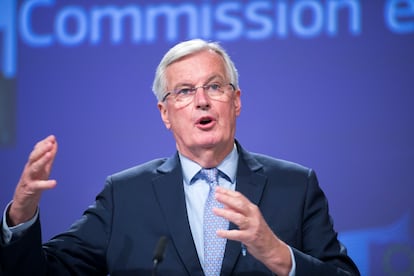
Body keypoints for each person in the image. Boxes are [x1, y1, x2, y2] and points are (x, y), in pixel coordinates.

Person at [0, 39, 360, 275]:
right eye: (185, 91)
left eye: (215, 86)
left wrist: (280, 255)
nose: (202, 100)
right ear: (165, 113)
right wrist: (22, 213)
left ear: (236, 101)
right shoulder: (125, 195)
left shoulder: (294, 185)